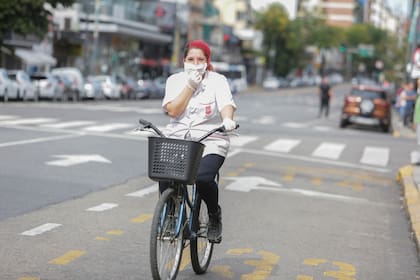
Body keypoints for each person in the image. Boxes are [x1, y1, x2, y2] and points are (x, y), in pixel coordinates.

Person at [159, 40, 237, 243]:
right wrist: (190, 86)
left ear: (207, 61)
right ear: (184, 60)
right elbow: (173, 110)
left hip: (210, 138)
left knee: (202, 178)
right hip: (179, 138)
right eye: (191, 59)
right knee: (164, 174)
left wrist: (228, 119)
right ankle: (173, 218)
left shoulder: (217, 80)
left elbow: (227, 104)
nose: (195, 64)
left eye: (200, 59)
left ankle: (213, 215)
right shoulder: (174, 80)